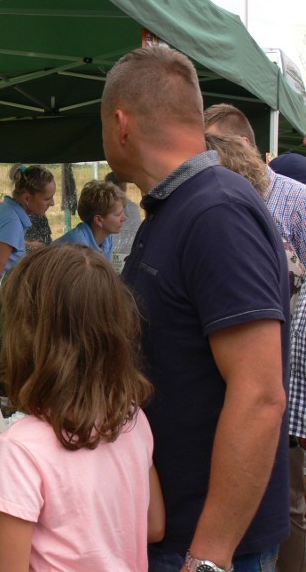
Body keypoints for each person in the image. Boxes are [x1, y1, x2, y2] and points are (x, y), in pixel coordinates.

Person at [102, 46, 289, 572]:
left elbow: (259, 395)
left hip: (205, 547)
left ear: (121, 124)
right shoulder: (175, 209)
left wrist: (209, 556)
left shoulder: (216, 212)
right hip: (174, 533)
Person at [0, 244, 164, 571]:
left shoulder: (21, 447)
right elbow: (153, 526)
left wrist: (0, 523)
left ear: (27, 338)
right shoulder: (132, 418)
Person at [205, 129, 306, 572]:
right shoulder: (265, 231)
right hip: (283, 392)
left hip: (280, 392)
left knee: (291, 502)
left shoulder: (255, 231)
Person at [205, 103, 306, 266]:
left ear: (244, 144)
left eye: (214, 147)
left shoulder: (299, 201)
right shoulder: (210, 202)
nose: (208, 160)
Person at [52, 179, 127, 258]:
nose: (124, 218)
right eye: (118, 214)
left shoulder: (107, 237)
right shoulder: (77, 247)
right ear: (98, 220)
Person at [105, 170, 142, 257]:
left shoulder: (132, 208)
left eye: (124, 185)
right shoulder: (103, 207)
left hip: (128, 253)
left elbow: (136, 231)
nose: (123, 188)